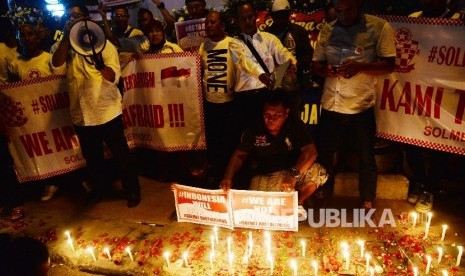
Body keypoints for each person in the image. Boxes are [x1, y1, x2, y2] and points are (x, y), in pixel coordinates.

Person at [51, 2, 141, 208]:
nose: (72, 20)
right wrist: (67, 37)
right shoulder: (65, 46)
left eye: (76, 16)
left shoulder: (104, 45)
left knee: (121, 155)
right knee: (93, 158)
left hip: (106, 110)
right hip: (82, 113)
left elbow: (112, 77)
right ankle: (100, 190)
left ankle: (133, 191)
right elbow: (56, 63)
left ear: (86, 19)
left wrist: (100, 64)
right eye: (68, 17)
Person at [312, 0, 396, 209]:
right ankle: (323, 190)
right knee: (325, 152)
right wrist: (326, 71)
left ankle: (367, 197)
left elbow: (389, 65)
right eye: (338, 11)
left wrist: (361, 67)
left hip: (360, 104)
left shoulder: (379, 27)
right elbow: (316, 64)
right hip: (331, 102)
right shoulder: (327, 30)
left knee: (366, 155)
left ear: (359, 5)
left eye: (348, 10)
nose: (343, 15)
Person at [220, 91, 328, 220]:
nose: (271, 120)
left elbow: (311, 152)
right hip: (267, 174)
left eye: (277, 115)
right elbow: (239, 156)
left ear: (286, 113)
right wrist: (228, 177)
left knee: (317, 171)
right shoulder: (254, 128)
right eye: (267, 115)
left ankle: (298, 202)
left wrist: (292, 175)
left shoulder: (295, 124)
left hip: (294, 171)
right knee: (260, 204)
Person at [6, 23, 65, 202]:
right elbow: (14, 91)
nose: (27, 38)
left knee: (63, 147)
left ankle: (75, 179)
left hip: (53, 114)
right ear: (19, 39)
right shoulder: (15, 63)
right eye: (22, 35)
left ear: (36, 37)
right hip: (33, 119)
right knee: (42, 150)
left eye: (30, 34)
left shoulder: (48, 58)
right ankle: (51, 183)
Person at [231, 0, 297, 143]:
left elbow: (284, 53)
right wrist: (261, 75)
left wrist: (291, 63)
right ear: (237, 21)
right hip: (245, 100)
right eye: (243, 19)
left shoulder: (269, 39)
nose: (247, 21)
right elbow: (244, 62)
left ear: (255, 16)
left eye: (250, 17)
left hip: (268, 97)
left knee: (269, 138)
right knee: (246, 141)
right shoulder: (234, 43)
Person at [198, 11, 238, 187]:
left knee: (229, 142)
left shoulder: (233, 44)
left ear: (222, 26)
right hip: (209, 103)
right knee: (213, 143)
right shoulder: (203, 46)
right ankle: (215, 173)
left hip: (229, 103)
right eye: (207, 23)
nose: (208, 26)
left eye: (212, 22)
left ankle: (229, 176)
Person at [265, 0, 314, 118]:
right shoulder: (266, 35)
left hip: (294, 86)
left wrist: (295, 65)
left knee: (293, 119)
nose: (281, 19)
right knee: (274, 118)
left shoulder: (298, 31)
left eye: (284, 15)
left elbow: (308, 54)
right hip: (274, 87)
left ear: (288, 14)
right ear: (272, 16)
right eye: (277, 16)